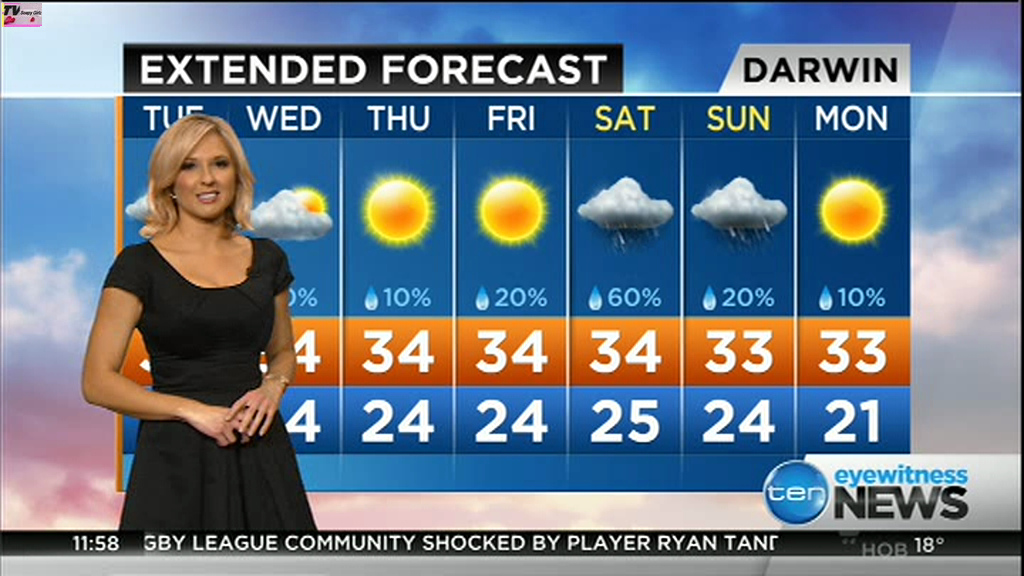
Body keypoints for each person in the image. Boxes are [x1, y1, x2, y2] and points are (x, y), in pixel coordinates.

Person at [82, 113, 317, 531]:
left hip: (259, 449)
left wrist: (272, 388)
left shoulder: (268, 258)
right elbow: (97, 382)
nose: (207, 178)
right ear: (170, 181)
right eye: (190, 166)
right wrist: (191, 412)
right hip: (175, 458)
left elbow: (282, 351)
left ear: (236, 174)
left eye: (219, 164)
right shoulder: (138, 266)